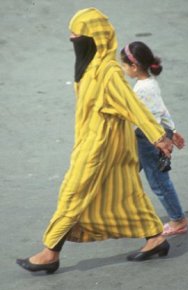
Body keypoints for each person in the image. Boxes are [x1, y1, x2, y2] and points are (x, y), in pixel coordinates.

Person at [16, 8, 174, 274]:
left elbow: (132, 105)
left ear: (94, 38)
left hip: (99, 147)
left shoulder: (107, 71)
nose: (72, 40)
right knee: (125, 191)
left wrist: (159, 136)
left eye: (77, 36)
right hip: (100, 143)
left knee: (72, 194)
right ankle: (156, 238)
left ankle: (50, 252)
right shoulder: (90, 66)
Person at [120, 41, 188, 236]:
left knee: (159, 181)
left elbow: (150, 116)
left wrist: (164, 139)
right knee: (128, 173)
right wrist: (173, 130)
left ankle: (178, 220)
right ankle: (126, 212)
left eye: (124, 65)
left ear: (134, 66)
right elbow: (161, 109)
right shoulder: (149, 83)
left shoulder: (143, 89)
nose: (123, 69)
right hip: (148, 137)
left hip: (148, 140)